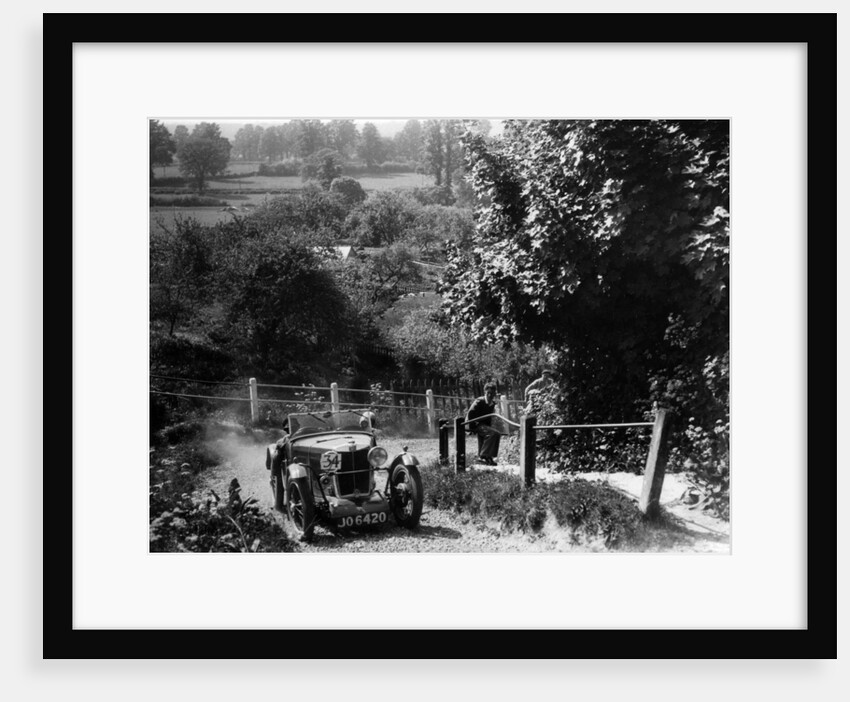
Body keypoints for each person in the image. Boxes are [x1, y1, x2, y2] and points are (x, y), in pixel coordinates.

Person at [465, 382, 502, 466]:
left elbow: (488, 418)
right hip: (473, 423)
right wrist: (472, 428)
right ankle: (483, 455)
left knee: (496, 434)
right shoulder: (480, 401)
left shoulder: (492, 404)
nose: (490, 395)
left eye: (492, 393)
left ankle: (489, 457)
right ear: (485, 392)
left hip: (482, 425)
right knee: (493, 433)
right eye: (488, 393)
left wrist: (488, 427)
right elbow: (470, 414)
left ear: (494, 394)